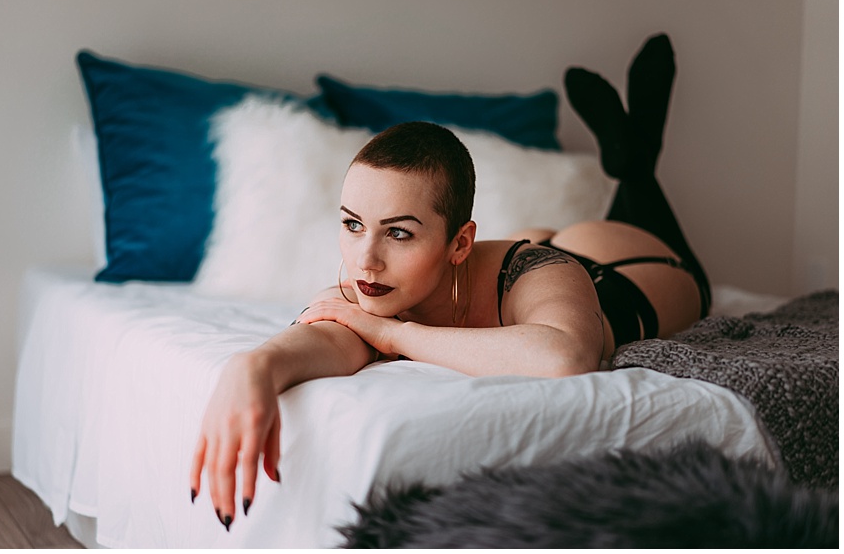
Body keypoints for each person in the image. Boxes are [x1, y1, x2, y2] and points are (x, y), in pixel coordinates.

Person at [186, 122, 709, 531]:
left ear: (460, 243)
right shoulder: (373, 283)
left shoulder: (537, 270)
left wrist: (393, 336)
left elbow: (564, 359)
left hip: (633, 268)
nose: (365, 260)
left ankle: (638, 163)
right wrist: (252, 366)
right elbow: (326, 335)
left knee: (641, 198)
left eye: (399, 234)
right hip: (504, 269)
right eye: (352, 225)